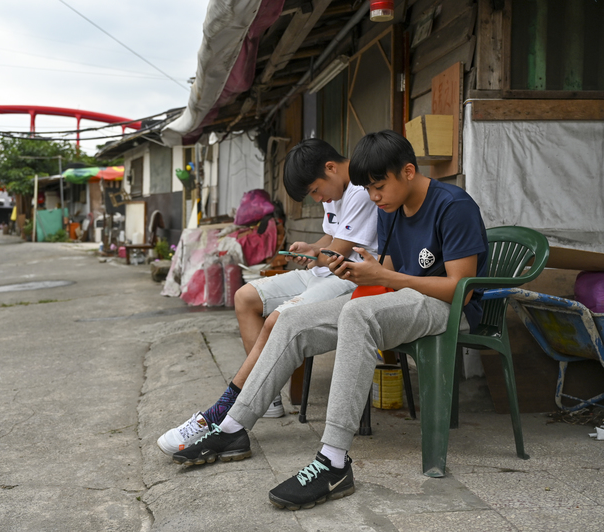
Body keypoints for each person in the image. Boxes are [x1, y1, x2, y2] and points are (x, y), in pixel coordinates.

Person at [171, 129, 489, 511]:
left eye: (378, 186)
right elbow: (386, 267)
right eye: (368, 189)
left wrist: (384, 278)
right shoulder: (391, 207)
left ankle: (333, 462)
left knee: (357, 313)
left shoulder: (453, 205)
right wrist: (362, 272)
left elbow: (461, 289)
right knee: (291, 320)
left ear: (407, 171)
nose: (374, 197)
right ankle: (233, 429)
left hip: (445, 307)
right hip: (402, 298)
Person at [156, 138, 379, 455]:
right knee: (246, 296)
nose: (317, 198)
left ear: (331, 168)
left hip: (349, 279)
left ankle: (224, 411)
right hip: (323, 273)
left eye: (316, 190)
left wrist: (317, 253)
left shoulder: (359, 191)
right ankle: (268, 396)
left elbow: (340, 252)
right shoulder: (336, 190)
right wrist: (311, 249)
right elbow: (332, 238)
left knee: (280, 319)